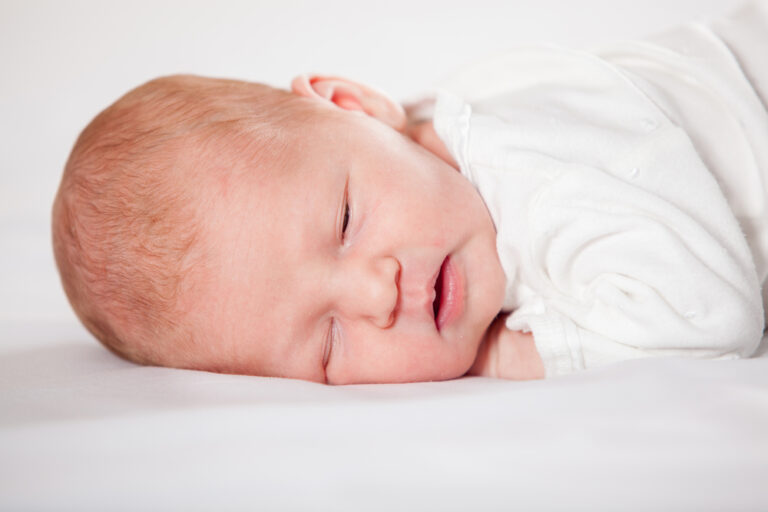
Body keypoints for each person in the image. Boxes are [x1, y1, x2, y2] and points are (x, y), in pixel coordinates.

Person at [52, 2, 767, 384]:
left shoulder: (522, 151)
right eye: (328, 343)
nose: (376, 295)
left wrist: (515, 357)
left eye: (343, 221)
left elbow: (708, 318)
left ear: (356, 106)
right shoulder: (435, 188)